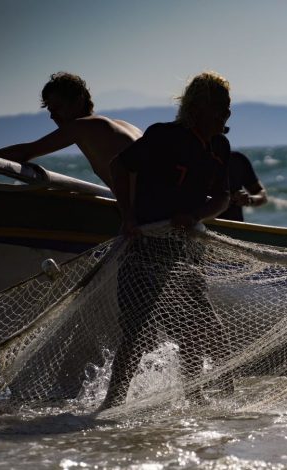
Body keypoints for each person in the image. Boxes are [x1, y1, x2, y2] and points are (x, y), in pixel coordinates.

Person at [101, 71, 233, 409]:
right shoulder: (164, 136)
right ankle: (112, 404)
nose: (226, 116)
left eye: (228, 108)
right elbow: (119, 167)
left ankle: (196, 395)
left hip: (186, 250)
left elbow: (222, 198)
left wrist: (196, 215)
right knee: (135, 333)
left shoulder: (219, 146)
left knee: (201, 327)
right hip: (144, 246)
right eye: (220, 108)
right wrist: (127, 217)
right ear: (198, 107)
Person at [0, 72, 142, 189]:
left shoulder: (83, 126)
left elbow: (26, 152)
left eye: (58, 107)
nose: (52, 116)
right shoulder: (124, 126)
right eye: (50, 109)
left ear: (79, 100)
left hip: (151, 212)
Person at [217, 151, 268, 221]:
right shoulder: (197, 161)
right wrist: (218, 201)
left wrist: (250, 199)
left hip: (236, 227)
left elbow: (262, 196)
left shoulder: (237, 160)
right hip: (202, 226)